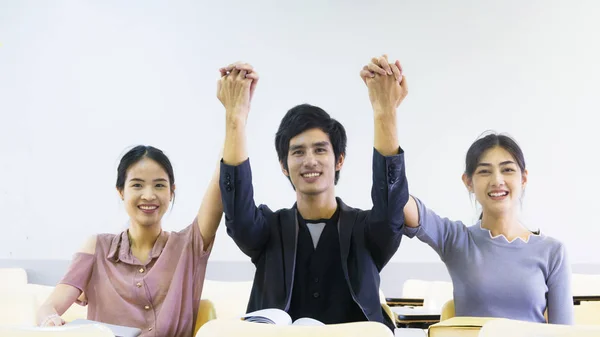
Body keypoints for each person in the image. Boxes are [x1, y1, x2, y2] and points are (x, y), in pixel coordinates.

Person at [363, 57, 573, 324]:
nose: (497, 180)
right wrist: (385, 112)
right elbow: (396, 198)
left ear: (524, 178)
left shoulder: (552, 252)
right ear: (468, 182)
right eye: (484, 171)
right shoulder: (457, 240)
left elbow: (565, 332)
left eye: (507, 169)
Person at [216, 56, 409, 330]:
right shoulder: (268, 231)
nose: (309, 161)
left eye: (320, 149)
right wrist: (235, 116)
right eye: (298, 152)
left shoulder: (367, 231)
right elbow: (237, 212)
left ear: (339, 159)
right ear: (284, 165)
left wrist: (385, 111)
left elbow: (391, 206)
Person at [36, 145, 224, 336]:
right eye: (137, 185)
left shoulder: (189, 246)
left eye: (159, 185)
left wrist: (234, 121)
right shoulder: (96, 248)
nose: (149, 195)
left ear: (171, 192)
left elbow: (220, 182)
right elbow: (49, 308)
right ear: (121, 191)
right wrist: (51, 321)